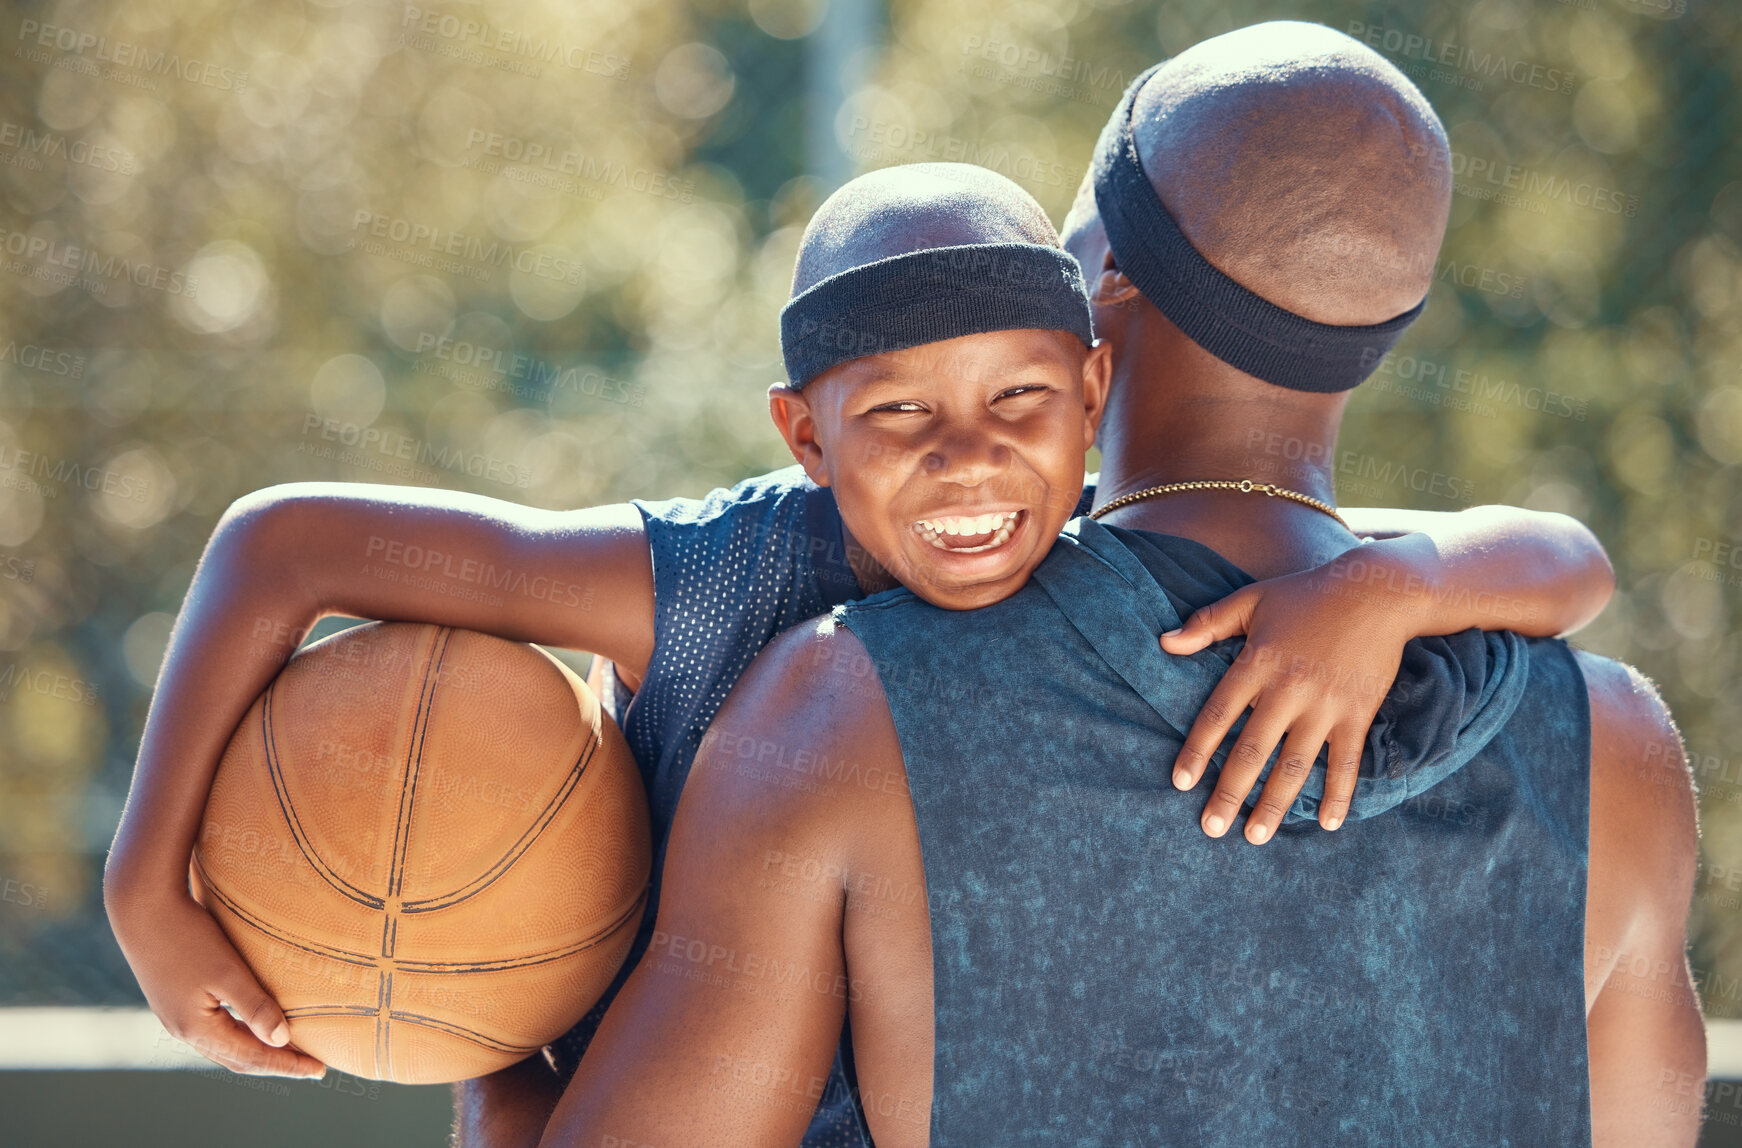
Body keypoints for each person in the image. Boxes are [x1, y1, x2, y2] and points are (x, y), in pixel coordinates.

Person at [108, 177, 1606, 1145]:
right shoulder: (707, 578)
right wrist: (147, 888)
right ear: (803, 435)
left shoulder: (1102, 551)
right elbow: (281, 544)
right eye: (895, 416)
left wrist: (1391, 589)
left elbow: (1565, 561)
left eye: (1016, 398)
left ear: (1094, 394)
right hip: (606, 1075)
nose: (968, 462)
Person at [534, 22, 1704, 1148]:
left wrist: (496, 1034)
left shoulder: (843, 703)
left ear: (1094, 280)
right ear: (1380, 320)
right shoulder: (1616, 752)